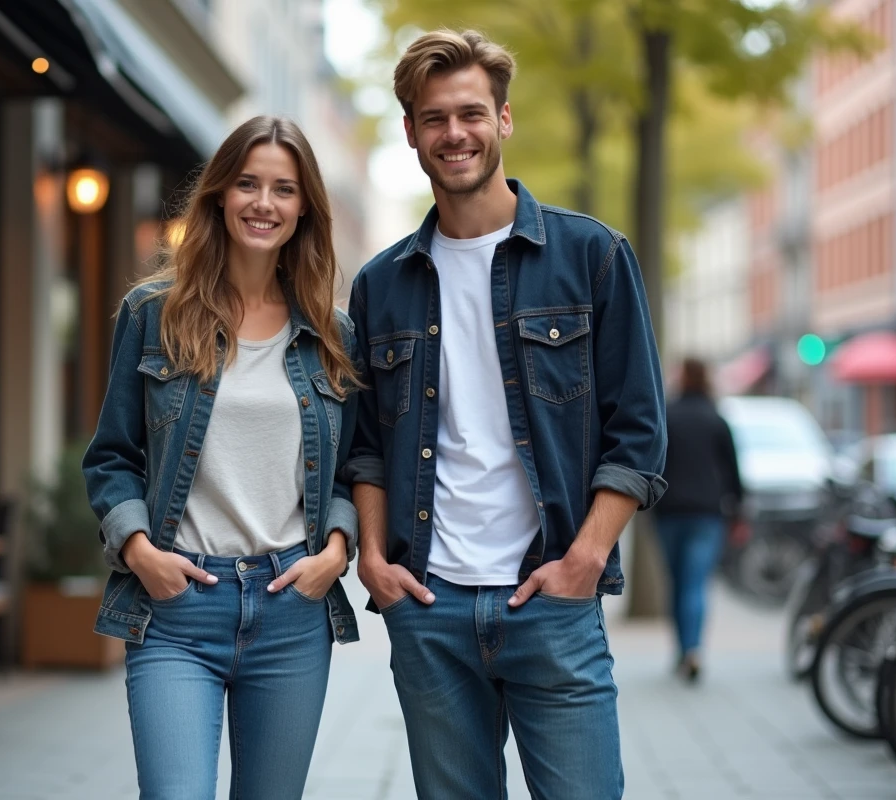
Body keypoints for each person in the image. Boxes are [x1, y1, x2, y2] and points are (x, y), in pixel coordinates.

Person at [343, 29, 668, 799]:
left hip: (551, 598)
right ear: (411, 133)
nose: (454, 134)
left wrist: (586, 558)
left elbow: (639, 431)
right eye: (433, 119)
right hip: (429, 607)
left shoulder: (591, 256)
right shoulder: (380, 284)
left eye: (470, 113)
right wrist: (374, 559)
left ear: (504, 119)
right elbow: (365, 446)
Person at [82, 115, 361, 800]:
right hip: (178, 606)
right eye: (248, 184)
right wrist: (139, 550)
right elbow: (112, 456)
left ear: (304, 208)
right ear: (218, 195)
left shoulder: (333, 333)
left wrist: (337, 548)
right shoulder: (153, 313)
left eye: (284, 189)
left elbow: (354, 469)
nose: (264, 203)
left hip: (292, 608)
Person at [655, 357, 743, 683]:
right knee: (696, 584)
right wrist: (739, 512)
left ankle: (681, 649)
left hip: (669, 512)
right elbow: (733, 472)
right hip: (707, 513)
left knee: (676, 582)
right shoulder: (716, 419)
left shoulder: (668, 415)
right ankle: (693, 649)